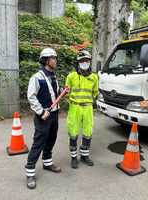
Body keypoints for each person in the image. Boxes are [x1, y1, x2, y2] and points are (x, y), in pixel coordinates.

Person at [25, 48, 61, 189]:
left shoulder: (53, 75)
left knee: (51, 139)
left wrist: (63, 90)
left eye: (55, 58)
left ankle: (47, 163)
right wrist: (41, 112)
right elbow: (31, 96)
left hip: (54, 114)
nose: (55, 61)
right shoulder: (37, 77)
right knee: (38, 143)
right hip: (43, 116)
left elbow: (53, 93)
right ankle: (30, 173)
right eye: (53, 58)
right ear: (46, 60)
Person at [65, 50, 98, 169]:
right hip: (75, 108)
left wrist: (87, 102)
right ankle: (73, 157)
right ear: (78, 62)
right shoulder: (71, 76)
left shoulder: (94, 77)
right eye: (82, 60)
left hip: (88, 108)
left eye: (87, 60)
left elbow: (94, 93)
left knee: (87, 132)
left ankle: (84, 156)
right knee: (73, 133)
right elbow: (66, 94)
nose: (85, 63)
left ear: (90, 62)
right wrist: (74, 103)